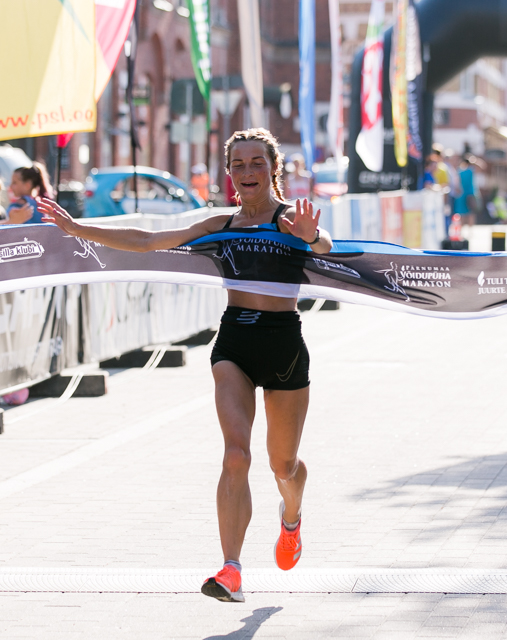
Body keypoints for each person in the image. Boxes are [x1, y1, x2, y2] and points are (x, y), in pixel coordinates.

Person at [38, 128, 333, 604]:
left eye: (257, 163)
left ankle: (292, 517)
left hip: (284, 348)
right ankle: (231, 569)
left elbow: (329, 253)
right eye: (238, 165)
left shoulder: (291, 220)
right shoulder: (221, 223)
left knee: (284, 464)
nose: (248, 172)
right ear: (229, 174)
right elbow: (150, 240)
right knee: (236, 455)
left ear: (273, 169)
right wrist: (78, 229)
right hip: (235, 339)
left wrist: (312, 237)